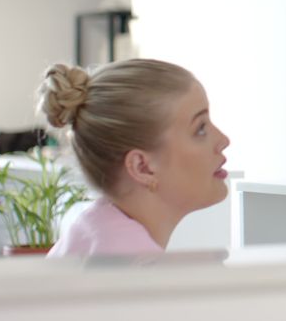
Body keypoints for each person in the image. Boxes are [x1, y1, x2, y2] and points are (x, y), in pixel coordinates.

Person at [39, 59, 230, 257]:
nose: (223, 140)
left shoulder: (93, 231)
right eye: (200, 129)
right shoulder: (133, 265)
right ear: (142, 167)